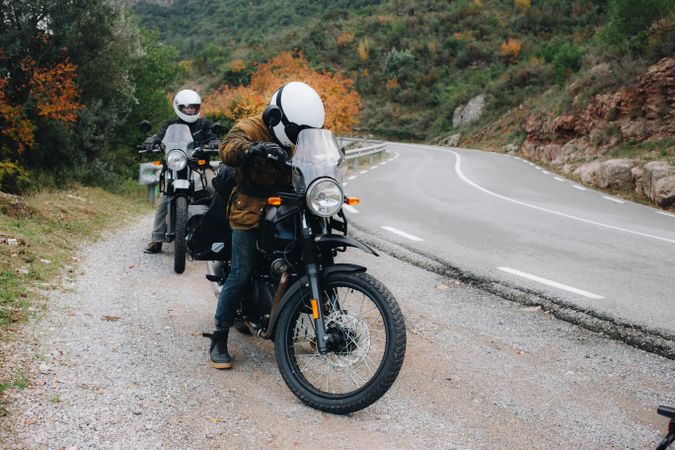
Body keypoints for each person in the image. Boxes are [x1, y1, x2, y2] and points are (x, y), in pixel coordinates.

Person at [207, 81, 325, 369]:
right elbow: (228, 146)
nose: (299, 139)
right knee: (241, 271)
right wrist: (252, 150)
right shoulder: (253, 126)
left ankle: (323, 322)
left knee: (316, 258)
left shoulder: (305, 138)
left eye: (305, 134)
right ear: (279, 117)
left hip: (289, 208)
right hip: (249, 207)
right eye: (296, 132)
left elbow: (320, 159)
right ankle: (219, 337)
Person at [143, 89, 215, 254]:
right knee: (164, 198)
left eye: (194, 107)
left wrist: (214, 142)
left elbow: (212, 136)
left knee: (213, 188)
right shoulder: (171, 125)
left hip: (200, 167)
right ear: (178, 107)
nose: (190, 110)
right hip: (176, 166)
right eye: (187, 107)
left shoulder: (204, 124)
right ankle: (157, 238)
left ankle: (216, 234)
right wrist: (151, 140)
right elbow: (159, 135)